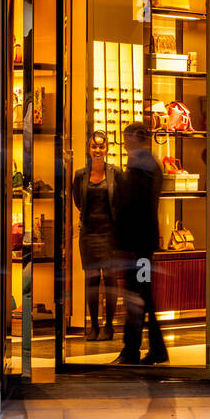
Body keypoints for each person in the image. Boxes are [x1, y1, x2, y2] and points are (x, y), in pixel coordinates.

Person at [114, 122, 167, 365]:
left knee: (137, 296)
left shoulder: (142, 166)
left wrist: (126, 244)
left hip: (138, 245)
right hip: (140, 244)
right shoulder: (146, 164)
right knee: (142, 294)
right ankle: (153, 348)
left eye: (127, 138)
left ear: (135, 138)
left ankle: (133, 349)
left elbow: (135, 207)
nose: (124, 143)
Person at [72, 131, 121, 341]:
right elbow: (77, 201)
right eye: (94, 146)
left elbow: (121, 200)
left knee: (110, 279)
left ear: (107, 148)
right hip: (89, 234)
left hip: (111, 233)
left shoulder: (116, 173)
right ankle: (93, 326)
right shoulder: (80, 175)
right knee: (91, 279)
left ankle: (109, 326)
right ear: (88, 148)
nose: (98, 150)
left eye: (101, 146)